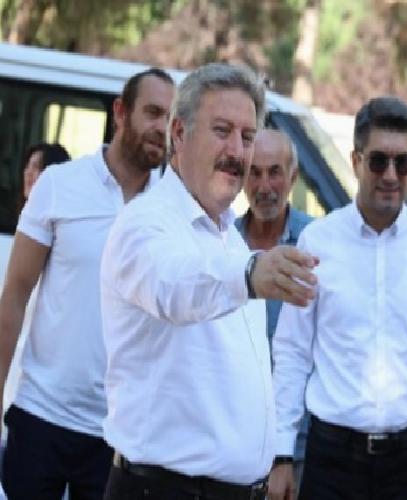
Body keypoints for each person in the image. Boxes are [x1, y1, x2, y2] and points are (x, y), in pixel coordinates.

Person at [99, 63, 318, 500]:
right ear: (179, 134)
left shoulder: (228, 236)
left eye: (247, 137)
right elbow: (173, 285)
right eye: (222, 131)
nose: (237, 151)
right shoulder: (145, 222)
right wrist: (250, 274)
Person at [269, 96, 407, 500]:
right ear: (357, 161)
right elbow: (292, 352)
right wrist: (280, 453)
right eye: (378, 161)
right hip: (332, 459)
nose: (390, 175)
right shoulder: (317, 241)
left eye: (402, 163)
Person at [0, 67, 174, 499]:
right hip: (41, 416)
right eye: (153, 112)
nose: (162, 128)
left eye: (170, 119)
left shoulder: (172, 206)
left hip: (118, 433)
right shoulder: (60, 185)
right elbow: (15, 295)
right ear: (121, 112)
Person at [236, 128, 313, 339]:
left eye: (274, 173)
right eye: (255, 173)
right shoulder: (224, 240)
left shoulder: (314, 241)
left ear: (293, 177)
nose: (264, 187)